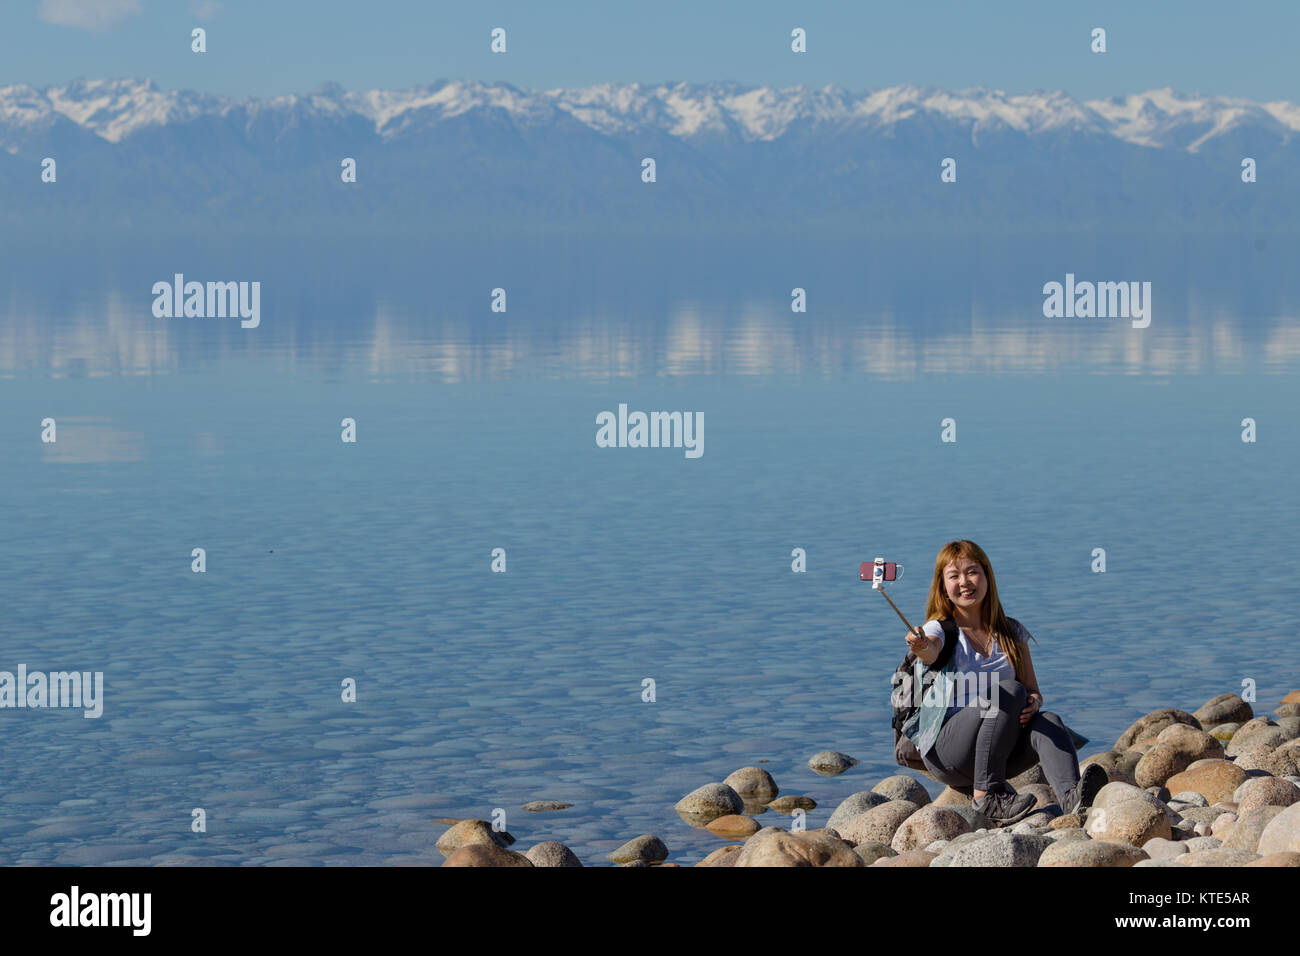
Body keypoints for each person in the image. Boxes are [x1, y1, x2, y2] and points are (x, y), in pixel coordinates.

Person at [899, 540, 1107, 825]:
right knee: (1009, 691)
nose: (964, 582)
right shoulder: (940, 629)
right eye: (954, 576)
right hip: (947, 749)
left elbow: (1032, 690)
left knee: (1050, 721)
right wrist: (920, 645)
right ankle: (987, 795)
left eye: (972, 572)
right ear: (942, 586)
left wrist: (1034, 701)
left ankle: (1072, 799)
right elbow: (929, 650)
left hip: (998, 750)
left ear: (986, 576)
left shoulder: (1011, 632)